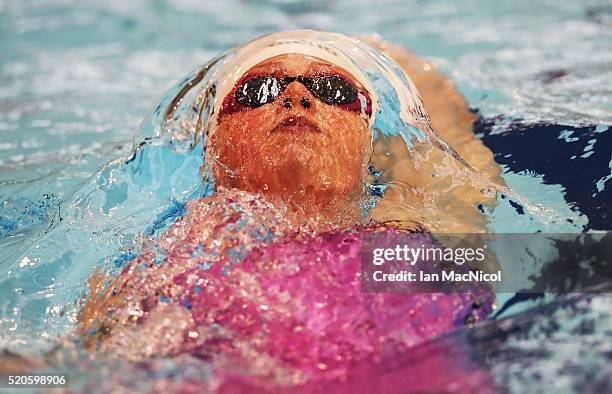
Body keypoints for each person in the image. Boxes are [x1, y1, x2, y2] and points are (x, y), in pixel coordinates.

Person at [75, 31, 501, 390]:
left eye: (333, 91)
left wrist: (372, 51)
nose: (296, 97)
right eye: (258, 90)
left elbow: (445, 141)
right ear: (211, 146)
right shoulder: (164, 256)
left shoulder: (408, 239)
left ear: (366, 139)